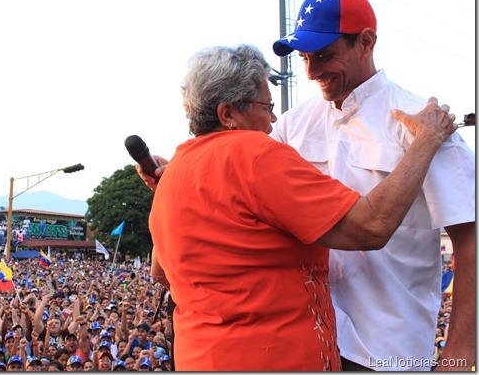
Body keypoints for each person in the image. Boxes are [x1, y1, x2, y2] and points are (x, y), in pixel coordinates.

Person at [143, 44, 455, 371]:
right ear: (228, 114)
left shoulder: (174, 171)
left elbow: (160, 272)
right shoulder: (254, 154)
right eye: (266, 107)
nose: (274, 119)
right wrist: (425, 141)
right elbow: (372, 226)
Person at [271, 0, 475, 371]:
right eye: (304, 58)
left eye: (325, 55)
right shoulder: (291, 126)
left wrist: (462, 351)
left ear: (366, 42)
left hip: (387, 349)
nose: (313, 71)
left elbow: (471, 236)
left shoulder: (421, 122)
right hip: (307, 339)